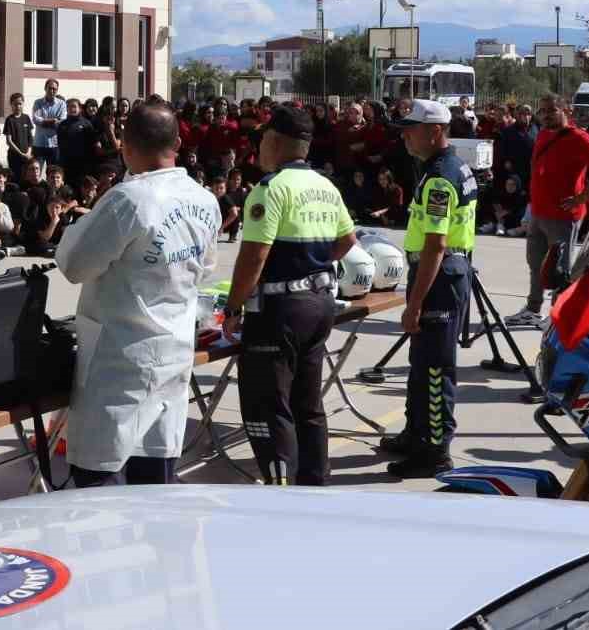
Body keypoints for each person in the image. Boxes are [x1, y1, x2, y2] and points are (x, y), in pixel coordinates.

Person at [54, 98, 220, 486]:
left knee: (100, 485)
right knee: (155, 484)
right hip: (174, 352)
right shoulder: (204, 199)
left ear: (125, 147)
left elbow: (73, 264)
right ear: (177, 143)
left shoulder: (129, 199)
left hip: (120, 363)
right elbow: (206, 267)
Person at [222, 107, 355, 486]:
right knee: (307, 404)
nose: (260, 147)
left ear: (276, 141)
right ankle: (314, 483)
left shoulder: (270, 189)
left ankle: (279, 493)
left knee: (268, 408)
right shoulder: (326, 186)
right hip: (319, 303)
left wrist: (233, 307)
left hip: (279, 312)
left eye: (263, 139)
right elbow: (348, 240)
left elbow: (254, 256)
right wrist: (311, 265)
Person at [381, 99, 479, 478]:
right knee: (421, 362)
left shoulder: (440, 177)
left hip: (438, 276)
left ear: (435, 131)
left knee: (435, 368)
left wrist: (415, 304)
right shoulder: (448, 167)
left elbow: (436, 245)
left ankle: (435, 450)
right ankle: (416, 433)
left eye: (412, 129)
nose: (405, 136)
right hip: (442, 272)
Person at [506, 94, 589, 329]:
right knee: (536, 264)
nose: (546, 115)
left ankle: (557, 316)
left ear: (566, 111)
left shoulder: (578, 137)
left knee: (560, 270)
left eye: (552, 110)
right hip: (538, 213)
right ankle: (533, 310)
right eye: (542, 111)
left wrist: (582, 197)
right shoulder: (544, 134)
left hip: (562, 217)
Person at [31, 79, 67, 170]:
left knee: (53, 172)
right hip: (39, 144)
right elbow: (36, 119)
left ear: (57, 90)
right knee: (36, 172)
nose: (52, 91)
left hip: (54, 144)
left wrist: (44, 122)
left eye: (54, 89)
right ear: (45, 88)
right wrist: (53, 121)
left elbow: (62, 121)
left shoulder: (61, 104)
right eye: (50, 88)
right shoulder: (38, 102)